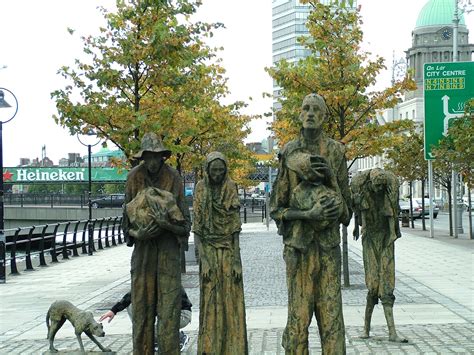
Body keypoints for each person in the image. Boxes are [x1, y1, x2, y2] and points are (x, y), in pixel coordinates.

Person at [270, 93, 351, 354]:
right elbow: (277, 209)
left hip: (328, 248)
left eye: (316, 109)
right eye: (306, 108)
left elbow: (346, 212)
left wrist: (331, 178)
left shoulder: (336, 151)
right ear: (299, 115)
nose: (311, 113)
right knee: (298, 318)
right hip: (299, 248)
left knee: (332, 320)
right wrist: (308, 215)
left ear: (325, 116)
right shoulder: (289, 151)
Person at [122, 132, 191, 355]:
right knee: (141, 312)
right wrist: (137, 234)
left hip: (168, 253)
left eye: (156, 157)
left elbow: (185, 225)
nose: (152, 162)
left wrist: (166, 225)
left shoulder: (174, 177)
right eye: (148, 157)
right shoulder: (134, 177)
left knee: (169, 313)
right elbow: (125, 221)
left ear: (163, 157)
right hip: (143, 254)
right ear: (143, 158)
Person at [193, 151, 248, 354]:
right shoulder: (200, 188)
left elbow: (234, 226)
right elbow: (197, 228)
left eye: (220, 170)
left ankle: (233, 348)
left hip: (228, 249)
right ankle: (210, 348)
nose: (217, 174)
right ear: (207, 170)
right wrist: (203, 260)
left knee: (231, 301)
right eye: (213, 170)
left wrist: (236, 261)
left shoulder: (230, 187)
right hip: (208, 249)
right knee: (210, 301)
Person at [351, 168, 408, 343]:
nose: (377, 189)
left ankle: (392, 332)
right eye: (375, 186)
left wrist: (391, 236)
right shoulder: (364, 191)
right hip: (370, 240)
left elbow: (391, 218)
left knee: (387, 282)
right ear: (370, 184)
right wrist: (356, 227)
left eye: (380, 187)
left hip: (384, 239)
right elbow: (361, 214)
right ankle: (366, 329)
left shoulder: (386, 196)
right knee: (373, 284)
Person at [99, 287, 193, 351]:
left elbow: (167, 306)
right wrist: (113, 311)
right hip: (162, 313)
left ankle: (179, 338)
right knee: (132, 305)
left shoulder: (167, 282)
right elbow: (130, 296)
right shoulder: (146, 280)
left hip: (181, 314)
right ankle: (155, 339)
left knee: (148, 329)